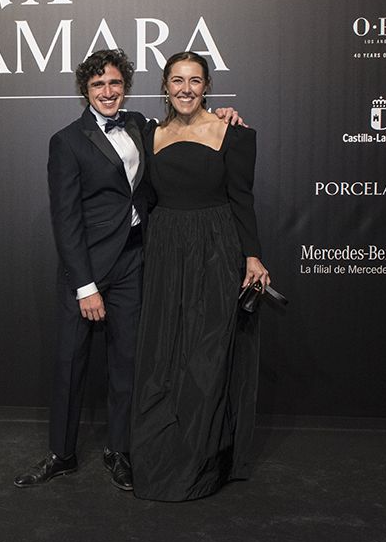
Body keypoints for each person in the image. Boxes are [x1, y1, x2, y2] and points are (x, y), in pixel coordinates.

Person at [14, 49, 243, 491]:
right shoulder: (67, 141)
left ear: (126, 87)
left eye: (115, 83)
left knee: (128, 362)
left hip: (135, 261)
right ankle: (61, 454)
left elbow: (188, 126)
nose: (107, 91)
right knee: (70, 362)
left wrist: (223, 114)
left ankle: (118, 450)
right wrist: (85, 286)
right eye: (98, 84)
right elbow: (66, 219)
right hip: (86, 269)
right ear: (85, 91)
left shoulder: (140, 125)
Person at [130, 51, 270, 502]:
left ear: (207, 86)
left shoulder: (234, 133)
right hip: (165, 250)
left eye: (194, 80)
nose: (185, 89)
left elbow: (242, 198)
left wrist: (252, 256)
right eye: (177, 80)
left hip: (215, 247)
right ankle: (159, 456)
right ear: (165, 86)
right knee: (164, 353)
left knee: (206, 355)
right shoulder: (148, 133)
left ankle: (200, 463)